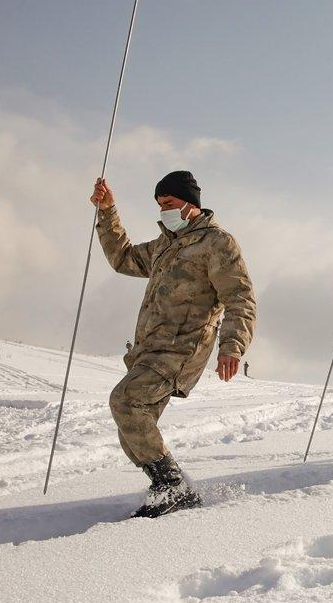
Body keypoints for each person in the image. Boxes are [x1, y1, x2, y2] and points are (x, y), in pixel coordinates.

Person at [90, 171, 256, 517]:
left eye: (169, 202)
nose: (163, 210)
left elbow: (240, 297)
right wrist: (107, 212)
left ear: (190, 203)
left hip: (183, 348)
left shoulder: (216, 243)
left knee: (126, 401)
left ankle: (173, 487)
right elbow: (123, 258)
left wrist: (232, 346)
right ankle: (171, 490)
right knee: (132, 427)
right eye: (159, 204)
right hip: (149, 349)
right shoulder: (164, 245)